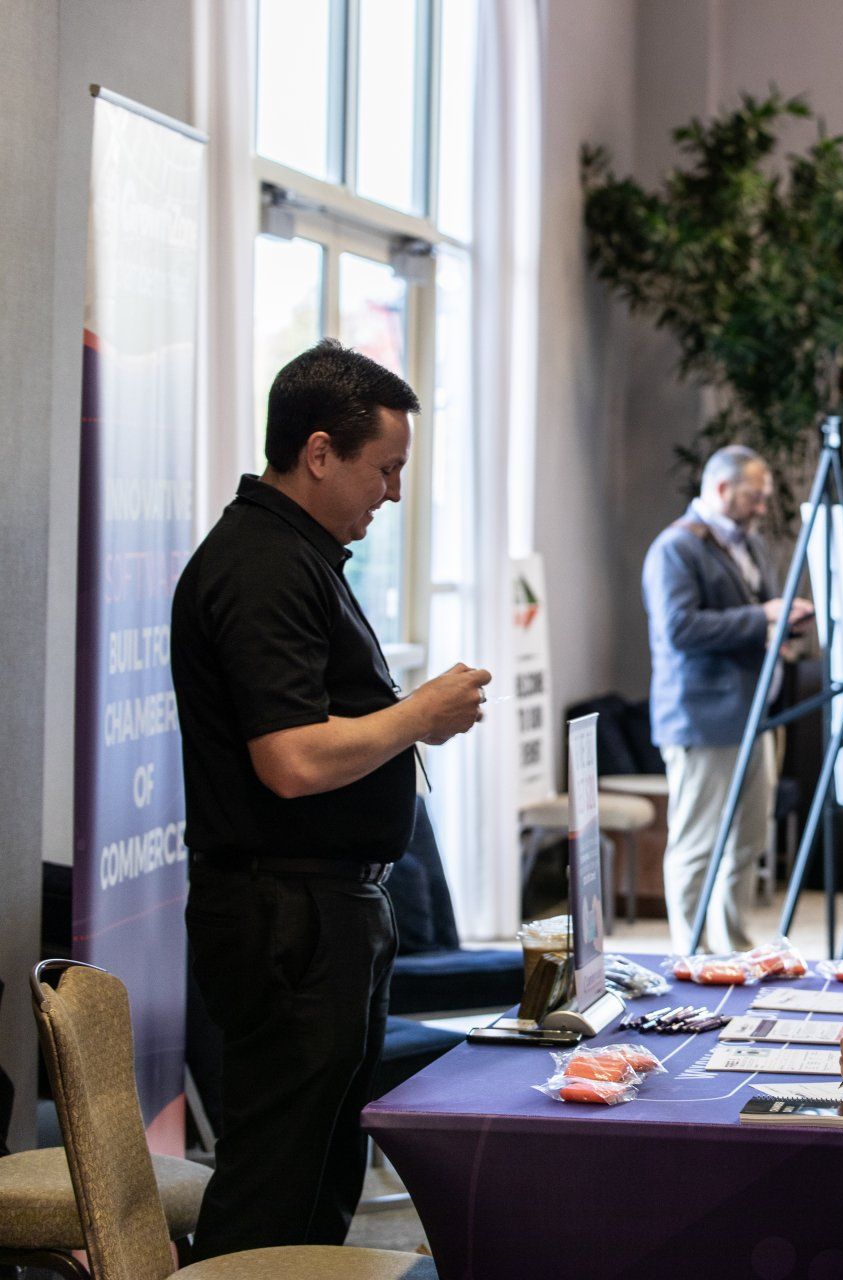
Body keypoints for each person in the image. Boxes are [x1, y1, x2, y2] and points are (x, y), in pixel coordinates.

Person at [172, 340, 491, 1257]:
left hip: (324, 906)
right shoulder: (263, 565)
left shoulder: (299, 556)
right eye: (384, 468)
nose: (391, 493)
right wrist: (418, 715)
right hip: (287, 915)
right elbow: (292, 762)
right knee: (276, 1184)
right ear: (319, 453)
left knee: (320, 1180)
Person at [643, 445, 812, 953]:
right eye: (754, 497)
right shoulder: (675, 548)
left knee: (747, 840)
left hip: (753, 716)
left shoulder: (752, 545)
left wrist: (779, 634)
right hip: (702, 717)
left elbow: (753, 616)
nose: (763, 507)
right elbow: (678, 628)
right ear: (721, 489)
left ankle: (733, 946)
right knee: (697, 842)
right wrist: (764, 617)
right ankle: (690, 953)